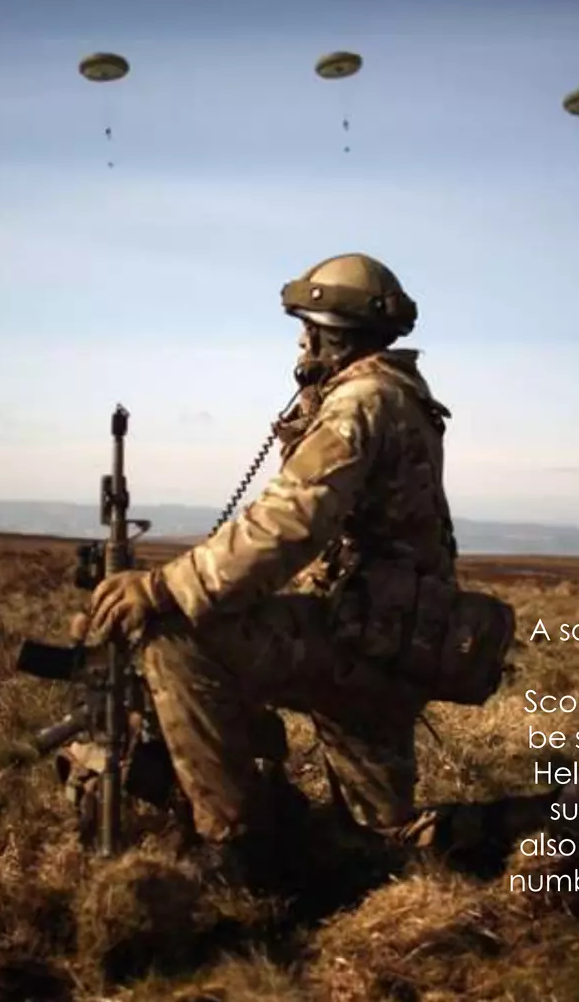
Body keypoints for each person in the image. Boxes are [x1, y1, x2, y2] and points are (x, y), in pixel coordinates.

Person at [68, 252, 470, 888]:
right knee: (381, 850)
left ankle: (236, 854)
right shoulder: (400, 397)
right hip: (387, 642)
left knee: (178, 637)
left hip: (358, 642)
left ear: (323, 332)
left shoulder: (359, 404)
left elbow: (287, 524)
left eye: (305, 329)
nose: (300, 342)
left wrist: (163, 586)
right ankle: (539, 830)